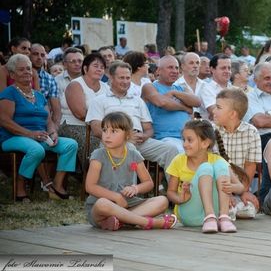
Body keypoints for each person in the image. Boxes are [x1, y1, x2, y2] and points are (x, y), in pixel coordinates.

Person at [0, 54, 78, 201]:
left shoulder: (39, 95)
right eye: (21, 69)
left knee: (70, 145)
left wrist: (53, 132)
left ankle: (57, 185)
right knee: (36, 149)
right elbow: (4, 121)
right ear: (12, 74)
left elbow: (48, 120)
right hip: (12, 137)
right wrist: (29, 134)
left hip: (39, 136)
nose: (27, 72)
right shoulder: (8, 93)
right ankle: (20, 186)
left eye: (28, 69)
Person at [85, 112, 176, 231]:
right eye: (105, 130)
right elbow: (90, 187)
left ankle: (121, 221)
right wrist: (116, 197)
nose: (107, 135)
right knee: (103, 203)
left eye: (113, 131)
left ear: (127, 135)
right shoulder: (98, 155)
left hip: (129, 205)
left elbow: (148, 183)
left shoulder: (134, 156)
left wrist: (135, 189)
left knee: (162, 201)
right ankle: (149, 222)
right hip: (103, 210)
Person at [86, 61, 178, 175]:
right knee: (129, 149)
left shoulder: (137, 101)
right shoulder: (99, 100)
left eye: (128, 78)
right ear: (111, 79)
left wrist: (144, 136)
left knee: (171, 150)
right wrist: (125, 138)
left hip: (139, 141)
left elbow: (149, 129)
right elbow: (96, 130)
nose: (125, 81)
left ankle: (174, 190)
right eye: (121, 78)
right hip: (113, 142)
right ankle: (130, 190)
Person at [166, 119, 244, 233]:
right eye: (184, 140)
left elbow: (240, 187)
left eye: (189, 140)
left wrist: (231, 188)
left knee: (219, 165)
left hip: (217, 215)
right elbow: (170, 192)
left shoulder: (218, 161)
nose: (184, 144)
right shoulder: (179, 160)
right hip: (189, 214)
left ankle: (224, 217)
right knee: (206, 167)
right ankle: (209, 217)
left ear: (205, 143)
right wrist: (180, 198)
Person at [213, 88, 262, 218]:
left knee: (249, 210)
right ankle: (223, 206)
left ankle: (231, 206)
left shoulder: (251, 132)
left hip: (239, 186)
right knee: (225, 207)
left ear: (232, 114)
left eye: (218, 107)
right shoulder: (211, 130)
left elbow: (250, 167)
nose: (214, 111)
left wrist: (244, 191)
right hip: (214, 186)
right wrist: (226, 194)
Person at [142, 55, 200, 153]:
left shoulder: (181, 89)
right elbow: (161, 102)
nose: (174, 71)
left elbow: (197, 101)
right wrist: (185, 108)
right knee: (182, 153)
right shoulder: (149, 87)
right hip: (165, 138)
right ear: (158, 71)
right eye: (170, 67)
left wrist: (174, 93)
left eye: (176, 68)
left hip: (187, 136)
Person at [61, 53, 109, 167]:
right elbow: (80, 114)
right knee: (97, 143)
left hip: (99, 127)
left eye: (102, 67)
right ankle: (93, 176)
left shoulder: (106, 87)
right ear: (85, 68)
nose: (99, 69)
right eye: (96, 66)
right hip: (73, 126)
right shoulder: (75, 85)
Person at [198, 54, 232, 120]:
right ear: (212, 69)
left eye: (229, 68)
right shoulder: (206, 89)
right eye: (223, 68)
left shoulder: (234, 89)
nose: (227, 71)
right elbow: (216, 112)